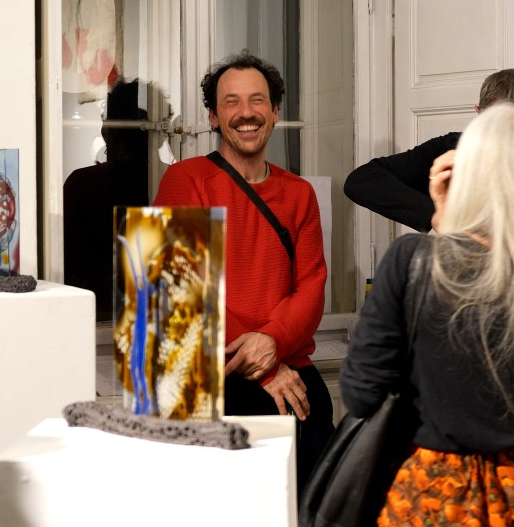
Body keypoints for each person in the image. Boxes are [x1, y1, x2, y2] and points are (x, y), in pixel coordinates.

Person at [340, 103, 514, 526]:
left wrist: (445, 221)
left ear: (466, 173)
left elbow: (362, 394)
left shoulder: (412, 261)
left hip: (437, 495)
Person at [152, 53, 333, 492]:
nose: (246, 112)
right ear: (214, 117)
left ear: (275, 112)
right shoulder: (184, 179)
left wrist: (272, 342)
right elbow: (180, 294)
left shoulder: (299, 193)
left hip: (288, 360)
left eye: (257, 100)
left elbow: (312, 286)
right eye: (231, 102)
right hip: (207, 372)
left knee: (314, 502)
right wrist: (262, 365)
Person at [343, 67, 514, 231]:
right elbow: (362, 180)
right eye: (501, 121)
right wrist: (436, 215)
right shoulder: (452, 150)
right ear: (479, 114)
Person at [64, 79, 152, 321]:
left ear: (108, 131)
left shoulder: (83, 183)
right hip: (139, 314)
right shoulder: (165, 180)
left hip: (92, 312)